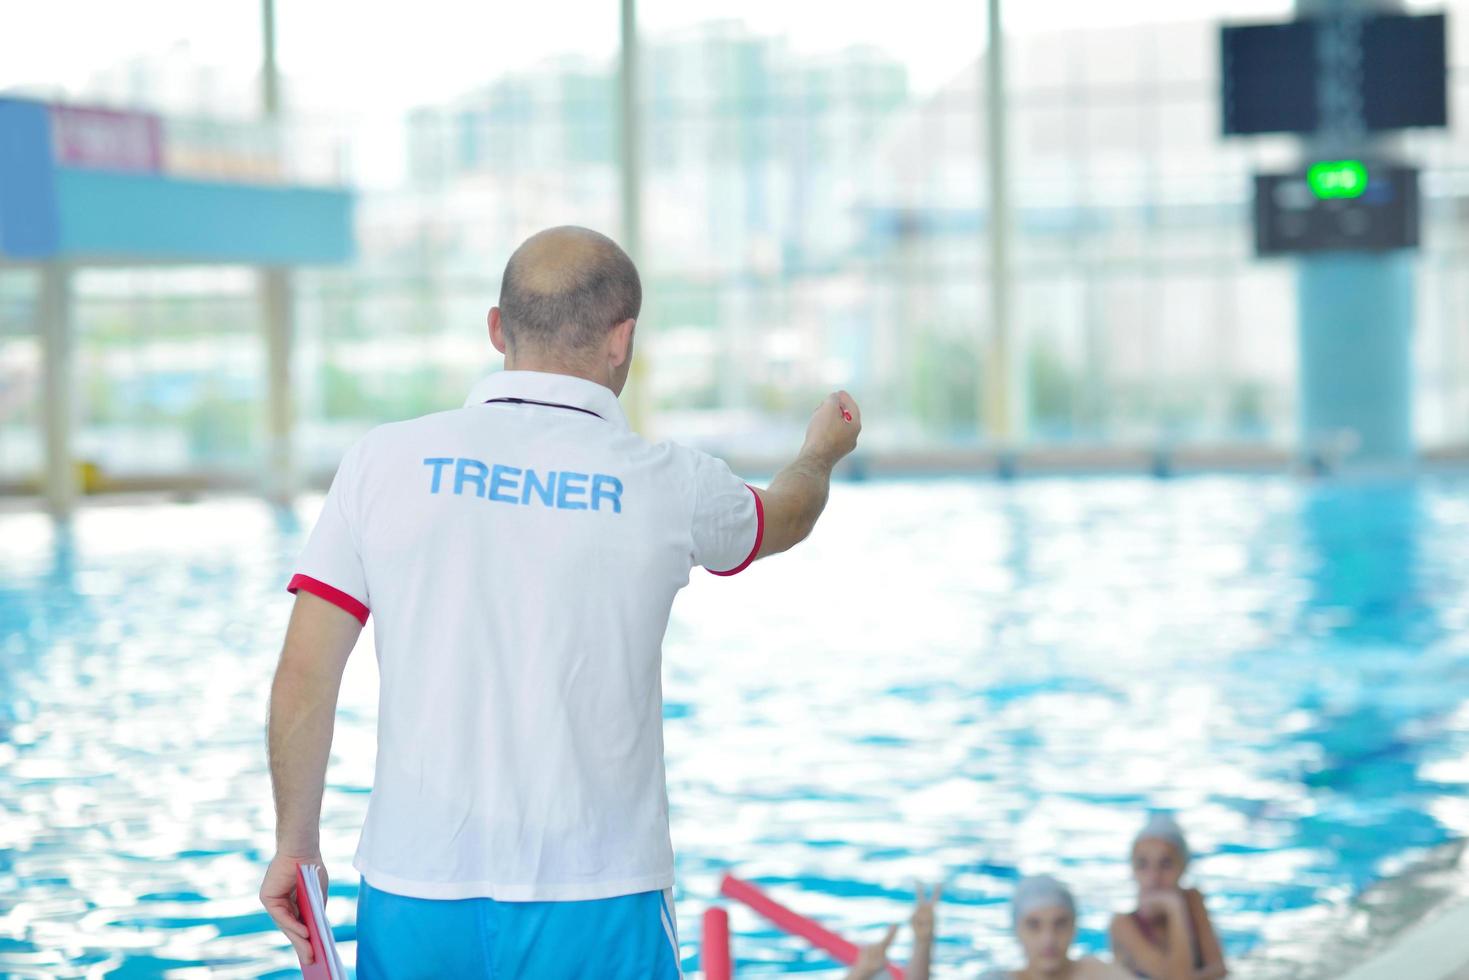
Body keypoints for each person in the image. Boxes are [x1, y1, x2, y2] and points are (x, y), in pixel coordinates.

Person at [257, 225, 863, 979]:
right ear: (622, 340)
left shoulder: (382, 462)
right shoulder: (669, 482)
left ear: (496, 329)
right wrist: (819, 451)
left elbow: (305, 673)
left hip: (415, 890)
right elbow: (787, 514)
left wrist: (295, 845)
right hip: (598, 893)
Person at [849, 877, 1147, 980]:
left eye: (1060, 924)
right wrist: (923, 943)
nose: (1048, 938)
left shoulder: (1097, 974)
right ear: (1017, 930)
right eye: (1034, 925)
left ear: (1075, 928)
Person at [1109, 814, 1227, 980]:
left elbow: (1220, 969)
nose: (1154, 877)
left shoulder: (1193, 900)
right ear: (1132, 870)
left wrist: (1177, 909)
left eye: (1165, 864)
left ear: (1183, 867)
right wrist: (1175, 909)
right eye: (1142, 864)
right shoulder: (1123, 924)